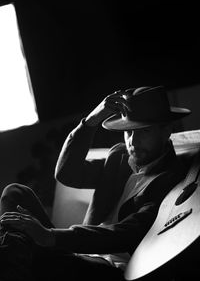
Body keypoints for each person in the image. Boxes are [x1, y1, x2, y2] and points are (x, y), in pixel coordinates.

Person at [0, 85, 191, 281]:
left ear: (166, 130)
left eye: (144, 131)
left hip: (113, 269)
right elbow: (67, 173)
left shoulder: (171, 178)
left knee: (33, 257)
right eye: (128, 131)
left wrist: (50, 236)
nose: (133, 141)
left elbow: (127, 233)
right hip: (80, 256)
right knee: (15, 193)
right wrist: (91, 121)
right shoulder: (119, 157)